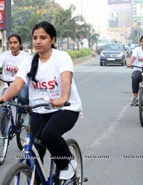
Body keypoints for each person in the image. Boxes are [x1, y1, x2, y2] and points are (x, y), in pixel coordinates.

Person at [0, 21, 82, 181]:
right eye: (35, 37)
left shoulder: (62, 57)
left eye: (43, 37)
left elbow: (66, 79)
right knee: (35, 149)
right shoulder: (29, 61)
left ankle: (67, 164)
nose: (38, 41)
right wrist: (3, 97)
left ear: (52, 40)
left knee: (49, 135)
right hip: (39, 110)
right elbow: (17, 84)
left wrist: (63, 98)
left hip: (65, 109)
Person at [0, 34, 30, 108]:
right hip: (8, 85)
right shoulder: (4, 55)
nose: (12, 45)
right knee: (3, 103)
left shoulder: (26, 56)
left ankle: (25, 115)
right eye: (10, 43)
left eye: (15, 42)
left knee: (23, 97)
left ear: (20, 44)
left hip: (22, 85)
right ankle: (4, 118)